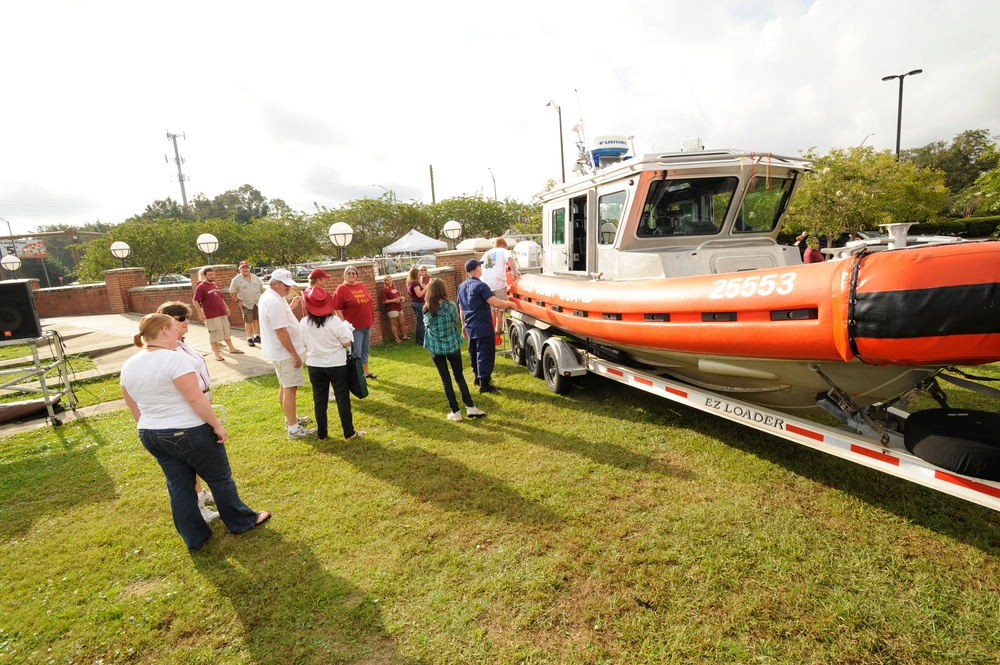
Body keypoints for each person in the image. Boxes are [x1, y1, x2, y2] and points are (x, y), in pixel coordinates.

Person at [120, 313, 270, 552]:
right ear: (166, 331)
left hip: (150, 433)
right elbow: (195, 398)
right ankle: (242, 521)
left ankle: (195, 537)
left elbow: (131, 403)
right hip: (187, 430)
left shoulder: (130, 363)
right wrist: (217, 425)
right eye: (174, 327)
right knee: (219, 478)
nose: (179, 332)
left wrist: (151, 424)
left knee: (178, 485)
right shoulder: (174, 359)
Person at [156, 301, 218, 523]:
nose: (186, 321)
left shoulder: (180, 344)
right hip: (189, 405)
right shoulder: (167, 349)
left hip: (200, 399)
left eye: (186, 317)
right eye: (181, 318)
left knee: (198, 456)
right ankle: (197, 506)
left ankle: (199, 493)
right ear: (168, 323)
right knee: (194, 458)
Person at [299, 285, 365, 440]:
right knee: (342, 398)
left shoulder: (303, 322)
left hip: (315, 364)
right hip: (336, 364)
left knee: (319, 399)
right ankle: (349, 432)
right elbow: (347, 342)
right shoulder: (334, 321)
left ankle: (322, 434)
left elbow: (303, 343)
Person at [258, 268, 316, 440]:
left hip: (282, 353)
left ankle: (290, 419)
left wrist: (292, 307)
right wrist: (294, 355)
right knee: (290, 388)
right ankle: (293, 429)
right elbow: (281, 331)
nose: (288, 288)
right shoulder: (274, 301)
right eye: (285, 285)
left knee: (285, 386)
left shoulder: (274, 297)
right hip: (285, 354)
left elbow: (280, 319)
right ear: (275, 283)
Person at [423, 278, 486, 422]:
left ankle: (455, 412)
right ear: (443, 289)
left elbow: (427, 327)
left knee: (446, 380)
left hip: (436, 348)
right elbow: (455, 321)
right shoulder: (451, 305)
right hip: (452, 345)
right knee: (459, 376)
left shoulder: (426, 308)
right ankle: (470, 407)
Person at [457, 258, 514, 394]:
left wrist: (463, 326)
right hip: (483, 326)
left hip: (470, 326)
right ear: (477, 269)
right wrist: (510, 304)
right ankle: (485, 383)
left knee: (474, 353)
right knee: (485, 354)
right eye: (480, 266)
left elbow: (461, 308)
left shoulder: (461, 286)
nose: (481, 268)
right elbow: (495, 303)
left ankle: (477, 378)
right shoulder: (481, 286)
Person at [332, 267, 377, 379]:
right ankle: (356, 375)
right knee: (356, 352)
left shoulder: (361, 285)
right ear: (345, 275)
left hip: (367, 323)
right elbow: (337, 308)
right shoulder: (341, 289)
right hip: (354, 327)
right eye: (349, 273)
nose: (351, 275)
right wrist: (344, 324)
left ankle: (366, 372)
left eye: (353, 273)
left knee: (365, 350)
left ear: (357, 275)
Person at [192, 267, 245, 361]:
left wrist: (226, 307)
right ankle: (216, 353)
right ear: (204, 276)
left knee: (226, 331)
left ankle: (232, 349)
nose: (212, 276)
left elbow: (220, 298)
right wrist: (201, 313)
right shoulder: (201, 287)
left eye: (213, 274)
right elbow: (195, 301)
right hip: (211, 315)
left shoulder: (214, 284)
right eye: (210, 274)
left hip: (221, 312)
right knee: (215, 333)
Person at [480, 237, 520, 333]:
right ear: (503, 245)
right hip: (498, 283)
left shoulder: (486, 253)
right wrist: (515, 273)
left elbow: (480, 265)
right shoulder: (503, 251)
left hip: (485, 284)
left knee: (491, 307)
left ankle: (489, 328)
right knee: (501, 306)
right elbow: (509, 259)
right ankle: (497, 328)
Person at [229, 261, 265, 347]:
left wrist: (262, 298)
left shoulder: (255, 277)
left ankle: (257, 336)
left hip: (257, 302)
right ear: (240, 269)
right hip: (246, 304)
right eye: (243, 268)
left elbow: (261, 289)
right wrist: (237, 301)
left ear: (249, 268)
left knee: (256, 319)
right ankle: (249, 338)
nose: (245, 269)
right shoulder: (236, 280)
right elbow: (232, 292)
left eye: (247, 267)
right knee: (248, 321)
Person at [380, 275, 406, 342]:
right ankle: (396, 338)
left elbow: (397, 296)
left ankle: (404, 336)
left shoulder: (394, 287)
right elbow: (384, 301)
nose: (389, 281)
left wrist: (400, 298)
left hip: (399, 306)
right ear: (385, 281)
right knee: (394, 323)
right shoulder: (384, 290)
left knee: (402, 322)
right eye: (387, 280)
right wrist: (393, 300)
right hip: (391, 308)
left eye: (390, 279)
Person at [405, 267, 427, 345]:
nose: (419, 275)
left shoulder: (409, 282)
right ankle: (421, 340)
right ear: (415, 274)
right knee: (421, 322)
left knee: (419, 322)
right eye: (418, 274)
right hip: (419, 303)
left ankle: (419, 339)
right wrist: (426, 288)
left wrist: (422, 287)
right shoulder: (415, 283)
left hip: (415, 303)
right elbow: (419, 294)